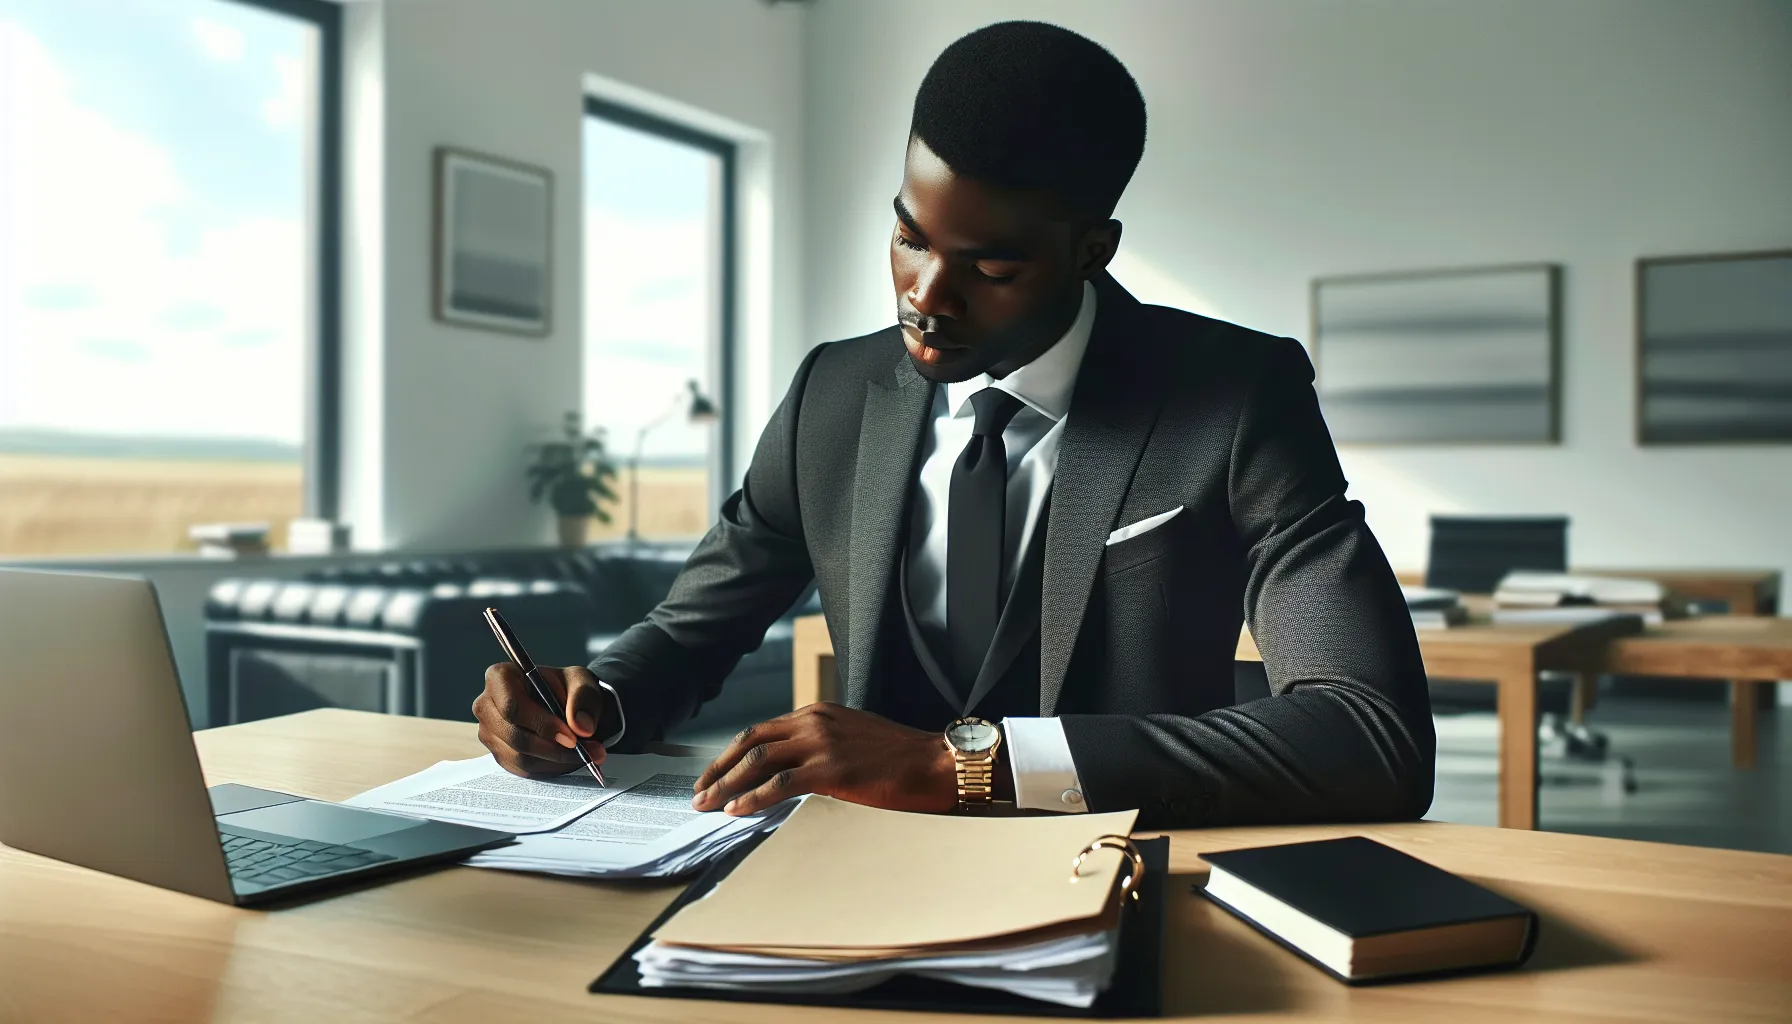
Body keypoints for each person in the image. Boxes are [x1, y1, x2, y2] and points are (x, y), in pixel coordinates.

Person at [474, 21, 1434, 829]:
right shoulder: (832, 395)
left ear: (1091, 252)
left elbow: (1369, 733)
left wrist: (966, 762)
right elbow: (691, 633)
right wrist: (598, 700)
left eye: (993, 269)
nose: (926, 297)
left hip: (1107, 877)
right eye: (908, 236)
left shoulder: (1234, 397)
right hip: (842, 879)